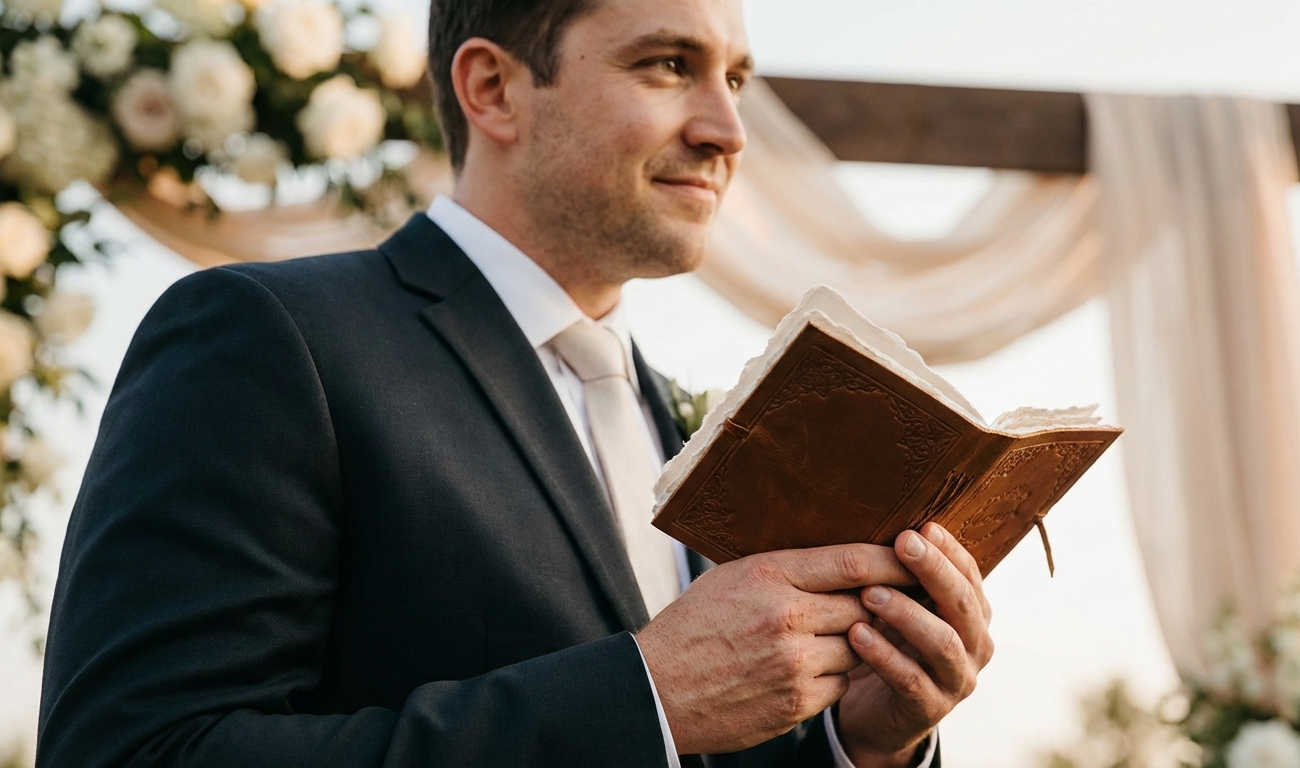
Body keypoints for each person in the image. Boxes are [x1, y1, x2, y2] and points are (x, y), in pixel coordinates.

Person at [37, 0, 994, 765]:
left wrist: (858, 744)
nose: (727, 130)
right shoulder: (269, 337)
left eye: (735, 78)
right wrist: (643, 699)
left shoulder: (671, 413)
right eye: (669, 65)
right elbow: (135, 750)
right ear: (493, 89)